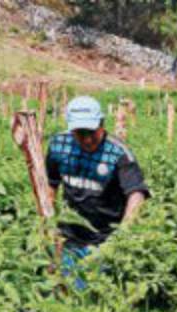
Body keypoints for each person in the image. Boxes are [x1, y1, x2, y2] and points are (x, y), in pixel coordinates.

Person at [45, 96, 150, 289]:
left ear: (102, 124)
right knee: (63, 291)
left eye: (92, 131)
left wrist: (122, 236)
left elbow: (136, 194)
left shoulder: (117, 153)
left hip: (105, 241)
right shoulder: (59, 146)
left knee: (97, 293)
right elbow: (50, 185)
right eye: (80, 133)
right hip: (69, 238)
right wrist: (48, 227)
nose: (87, 139)